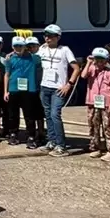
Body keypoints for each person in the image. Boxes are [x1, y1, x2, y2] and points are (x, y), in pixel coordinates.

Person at [37, 24, 80, 154]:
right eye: (46, 35)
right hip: (45, 86)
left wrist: (69, 84)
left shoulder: (65, 50)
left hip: (58, 88)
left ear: (58, 37)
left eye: (50, 36)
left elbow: (76, 68)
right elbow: (33, 59)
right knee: (48, 114)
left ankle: (61, 145)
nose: (47, 38)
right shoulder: (42, 49)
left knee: (55, 114)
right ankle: (52, 141)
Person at [83, 48, 110, 160]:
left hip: (106, 102)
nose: (99, 62)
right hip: (92, 102)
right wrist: (88, 62)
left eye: (101, 60)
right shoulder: (91, 69)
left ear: (106, 61)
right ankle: (96, 147)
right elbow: (83, 76)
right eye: (97, 59)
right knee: (93, 126)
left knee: (109, 127)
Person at [3, 36, 40, 148]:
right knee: (13, 114)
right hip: (14, 89)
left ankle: (31, 136)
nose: (18, 48)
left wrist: (29, 49)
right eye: (16, 46)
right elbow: (7, 75)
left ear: (25, 47)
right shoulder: (9, 59)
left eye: (20, 46)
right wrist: (5, 91)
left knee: (29, 115)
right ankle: (13, 133)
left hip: (29, 89)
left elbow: (40, 49)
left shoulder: (34, 58)